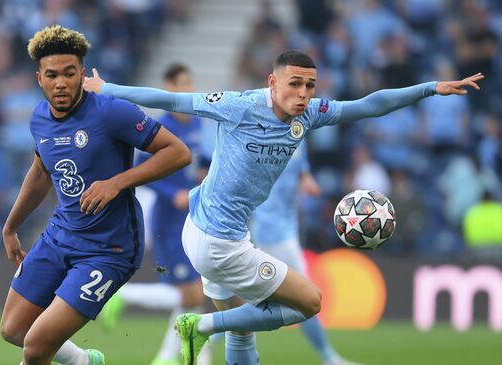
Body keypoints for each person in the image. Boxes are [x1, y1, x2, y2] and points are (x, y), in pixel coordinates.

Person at [84, 50, 483, 365]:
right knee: (308, 303)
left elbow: (369, 104)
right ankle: (201, 325)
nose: (304, 94)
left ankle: (211, 326)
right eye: (295, 84)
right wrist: (108, 89)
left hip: (214, 230)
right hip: (219, 243)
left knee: (243, 332)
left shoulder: (309, 115)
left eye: (310, 85)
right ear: (273, 82)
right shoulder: (239, 105)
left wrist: (431, 87)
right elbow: (171, 99)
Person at [0, 25, 192, 365]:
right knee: (14, 331)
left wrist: (117, 182)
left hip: (108, 249)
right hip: (60, 236)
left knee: (36, 347)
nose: (61, 83)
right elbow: (41, 172)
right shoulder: (39, 118)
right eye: (52, 75)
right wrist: (11, 226)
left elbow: (177, 153)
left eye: (70, 74)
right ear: (39, 78)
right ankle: (84, 361)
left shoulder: (110, 111)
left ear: (82, 74)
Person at [99, 63, 212, 365]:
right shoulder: (161, 127)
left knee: (196, 293)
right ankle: (126, 296)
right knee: (192, 294)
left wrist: (205, 171)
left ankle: (172, 357)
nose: (186, 88)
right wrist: (170, 193)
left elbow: (204, 159)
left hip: (192, 216)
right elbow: (141, 170)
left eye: (189, 82)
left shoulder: (197, 123)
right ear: (168, 88)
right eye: (180, 83)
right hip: (167, 218)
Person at [250, 140, 362, 365]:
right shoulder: (263, 134)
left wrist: (307, 181)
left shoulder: (297, 133)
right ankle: (329, 358)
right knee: (306, 300)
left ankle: (207, 335)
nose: (302, 102)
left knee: (252, 299)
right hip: (272, 232)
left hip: (286, 230)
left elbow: (301, 170)